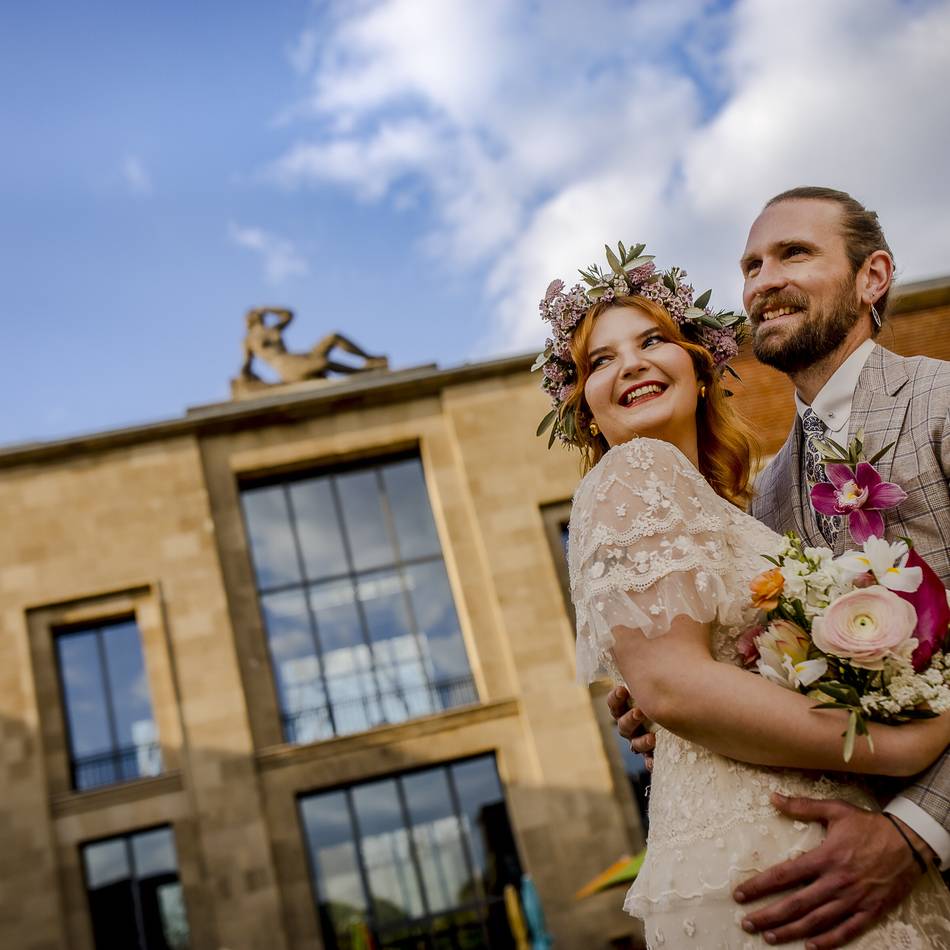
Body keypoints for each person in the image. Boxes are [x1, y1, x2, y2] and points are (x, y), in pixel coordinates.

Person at [535, 232, 950, 948]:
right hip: (761, 845)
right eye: (599, 361)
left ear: (699, 373)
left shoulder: (746, 507)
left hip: (833, 834)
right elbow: (674, 688)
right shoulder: (635, 474)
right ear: (584, 410)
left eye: (650, 342)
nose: (629, 364)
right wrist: (906, 746)